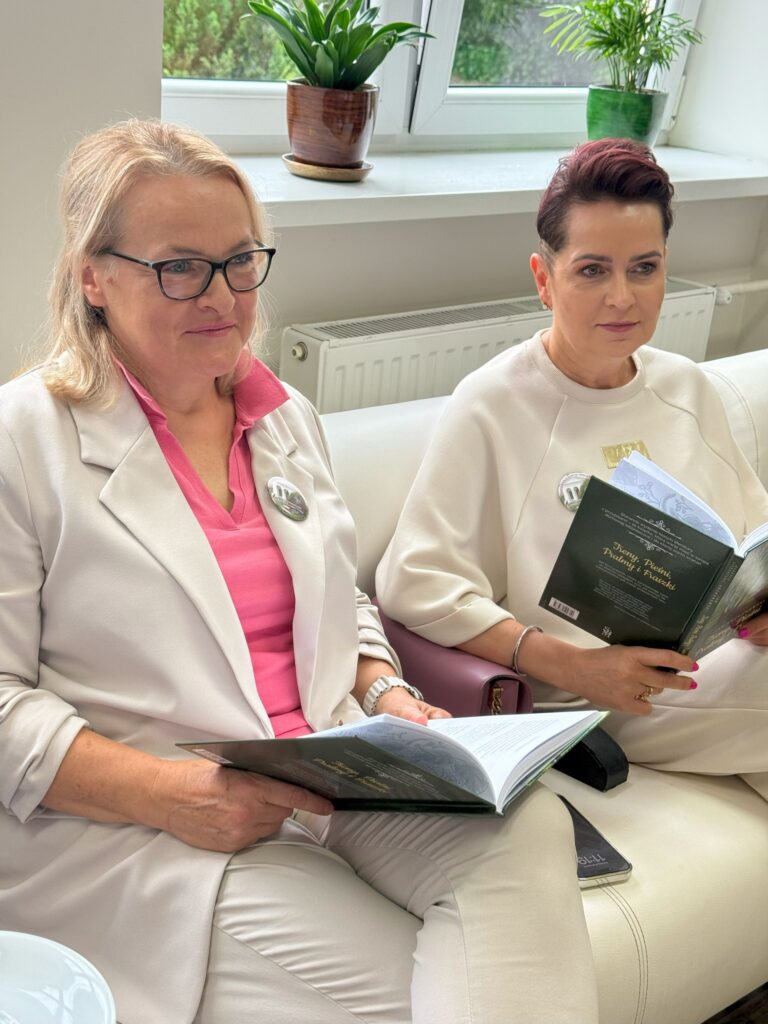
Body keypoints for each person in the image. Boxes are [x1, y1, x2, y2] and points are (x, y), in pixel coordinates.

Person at [0, 119, 600, 1024]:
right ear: (94, 276)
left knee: (532, 829)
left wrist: (385, 689)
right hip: (147, 823)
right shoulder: (24, 442)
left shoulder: (283, 417)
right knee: (429, 992)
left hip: (333, 772)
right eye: (180, 267)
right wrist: (172, 796)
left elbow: (338, 597)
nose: (221, 296)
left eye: (241, 261)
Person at [377, 138, 768, 799]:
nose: (622, 297)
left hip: (718, 666)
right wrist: (574, 665)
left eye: (644, 268)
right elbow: (413, 584)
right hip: (595, 696)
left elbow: (753, 541)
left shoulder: (687, 387)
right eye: (592, 270)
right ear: (544, 278)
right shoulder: (492, 404)